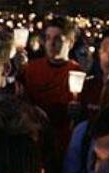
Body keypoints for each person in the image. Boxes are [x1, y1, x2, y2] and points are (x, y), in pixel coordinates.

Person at [20, 16, 80, 153]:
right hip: (31, 140)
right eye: (48, 38)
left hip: (61, 145)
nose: (51, 44)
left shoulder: (77, 73)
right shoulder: (31, 68)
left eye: (58, 39)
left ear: (70, 43)